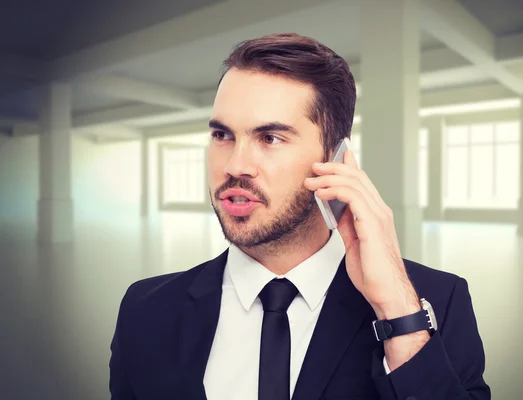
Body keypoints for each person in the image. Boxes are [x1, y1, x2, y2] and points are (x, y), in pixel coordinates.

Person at [109, 32, 491, 400]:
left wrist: (399, 314)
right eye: (223, 135)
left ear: (335, 158)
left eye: (270, 138)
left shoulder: (434, 303)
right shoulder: (145, 309)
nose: (235, 165)